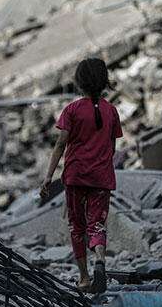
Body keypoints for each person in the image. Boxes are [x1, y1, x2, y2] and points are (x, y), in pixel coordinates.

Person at [40, 58, 123, 293]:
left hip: (75, 177)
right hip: (101, 178)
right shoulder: (111, 111)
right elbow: (112, 148)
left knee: (77, 226)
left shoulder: (72, 110)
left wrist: (48, 176)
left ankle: (85, 278)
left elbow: (60, 145)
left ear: (79, 84)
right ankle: (100, 261)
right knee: (97, 224)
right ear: (104, 83)